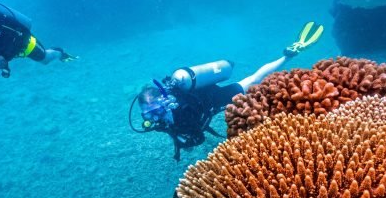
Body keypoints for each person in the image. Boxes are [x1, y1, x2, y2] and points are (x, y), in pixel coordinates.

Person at [129, 21, 324, 160]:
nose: (153, 118)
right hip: (199, 92)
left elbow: (199, 136)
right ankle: (288, 54)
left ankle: (289, 54)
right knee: (252, 80)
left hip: (212, 97)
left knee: (253, 80)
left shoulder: (181, 111)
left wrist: (182, 139)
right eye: (148, 114)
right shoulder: (163, 116)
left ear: (164, 102)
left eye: (156, 111)